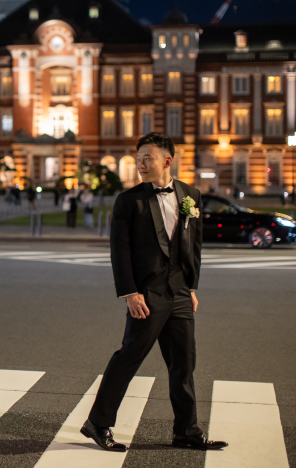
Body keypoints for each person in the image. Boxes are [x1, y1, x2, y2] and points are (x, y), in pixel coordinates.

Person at [81, 132, 227, 453]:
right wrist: (130, 293)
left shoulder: (191, 195)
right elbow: (119, 251)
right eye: (138, 159)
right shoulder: (128, 201)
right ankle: (98, 423)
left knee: (184, 363)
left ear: (167, 160)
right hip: (146, 294)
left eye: (147, 158)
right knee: (129, 357)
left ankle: (186, 431)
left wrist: (191, 287)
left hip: (179, 293)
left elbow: (194, 247)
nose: (141, 165)